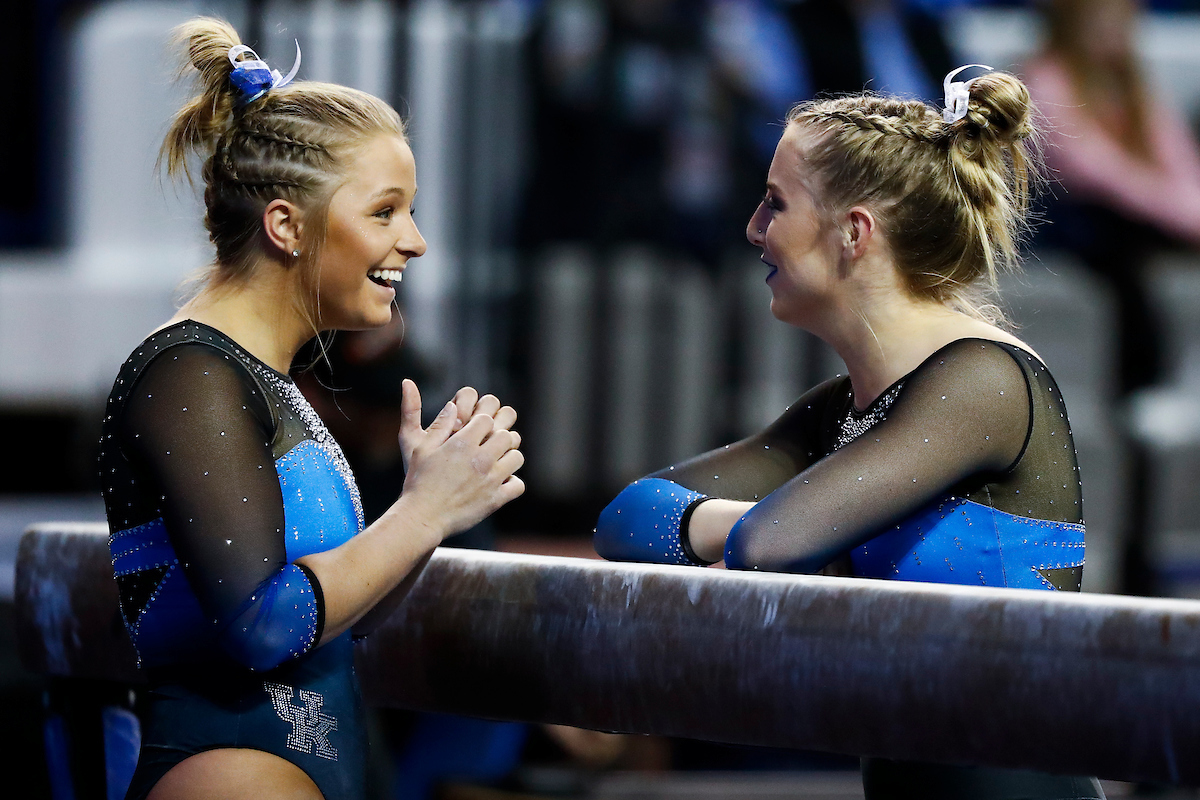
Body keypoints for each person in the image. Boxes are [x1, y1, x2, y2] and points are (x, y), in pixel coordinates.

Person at [593, 67, 1104, 799]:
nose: (753, 228)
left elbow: (773, 547)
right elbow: (628, 519)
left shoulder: (985, 383)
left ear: (853, 233)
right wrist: (768, 526)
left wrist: (778, 530)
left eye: (775, 203)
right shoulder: (841, 411)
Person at [97, 18, 524, 800]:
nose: (417, 242)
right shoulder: (190, 374)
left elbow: (337, 617)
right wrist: (421, 514)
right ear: (287, 225)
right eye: (387, 211)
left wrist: (436, 506)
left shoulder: (256, 377)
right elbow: (261, 626)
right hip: (230, 769)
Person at [1026, 0, 1200, 393]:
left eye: (1121, 21)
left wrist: (1192, 212)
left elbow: (1176, 159)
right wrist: (1186, 217)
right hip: (1067, 218)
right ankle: (1139, 387)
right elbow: (1094, 171)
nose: (1112, 31)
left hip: (1136, 217)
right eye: (1098, 22)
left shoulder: (1133, 88)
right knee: (1120, 241)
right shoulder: (1046, 79)